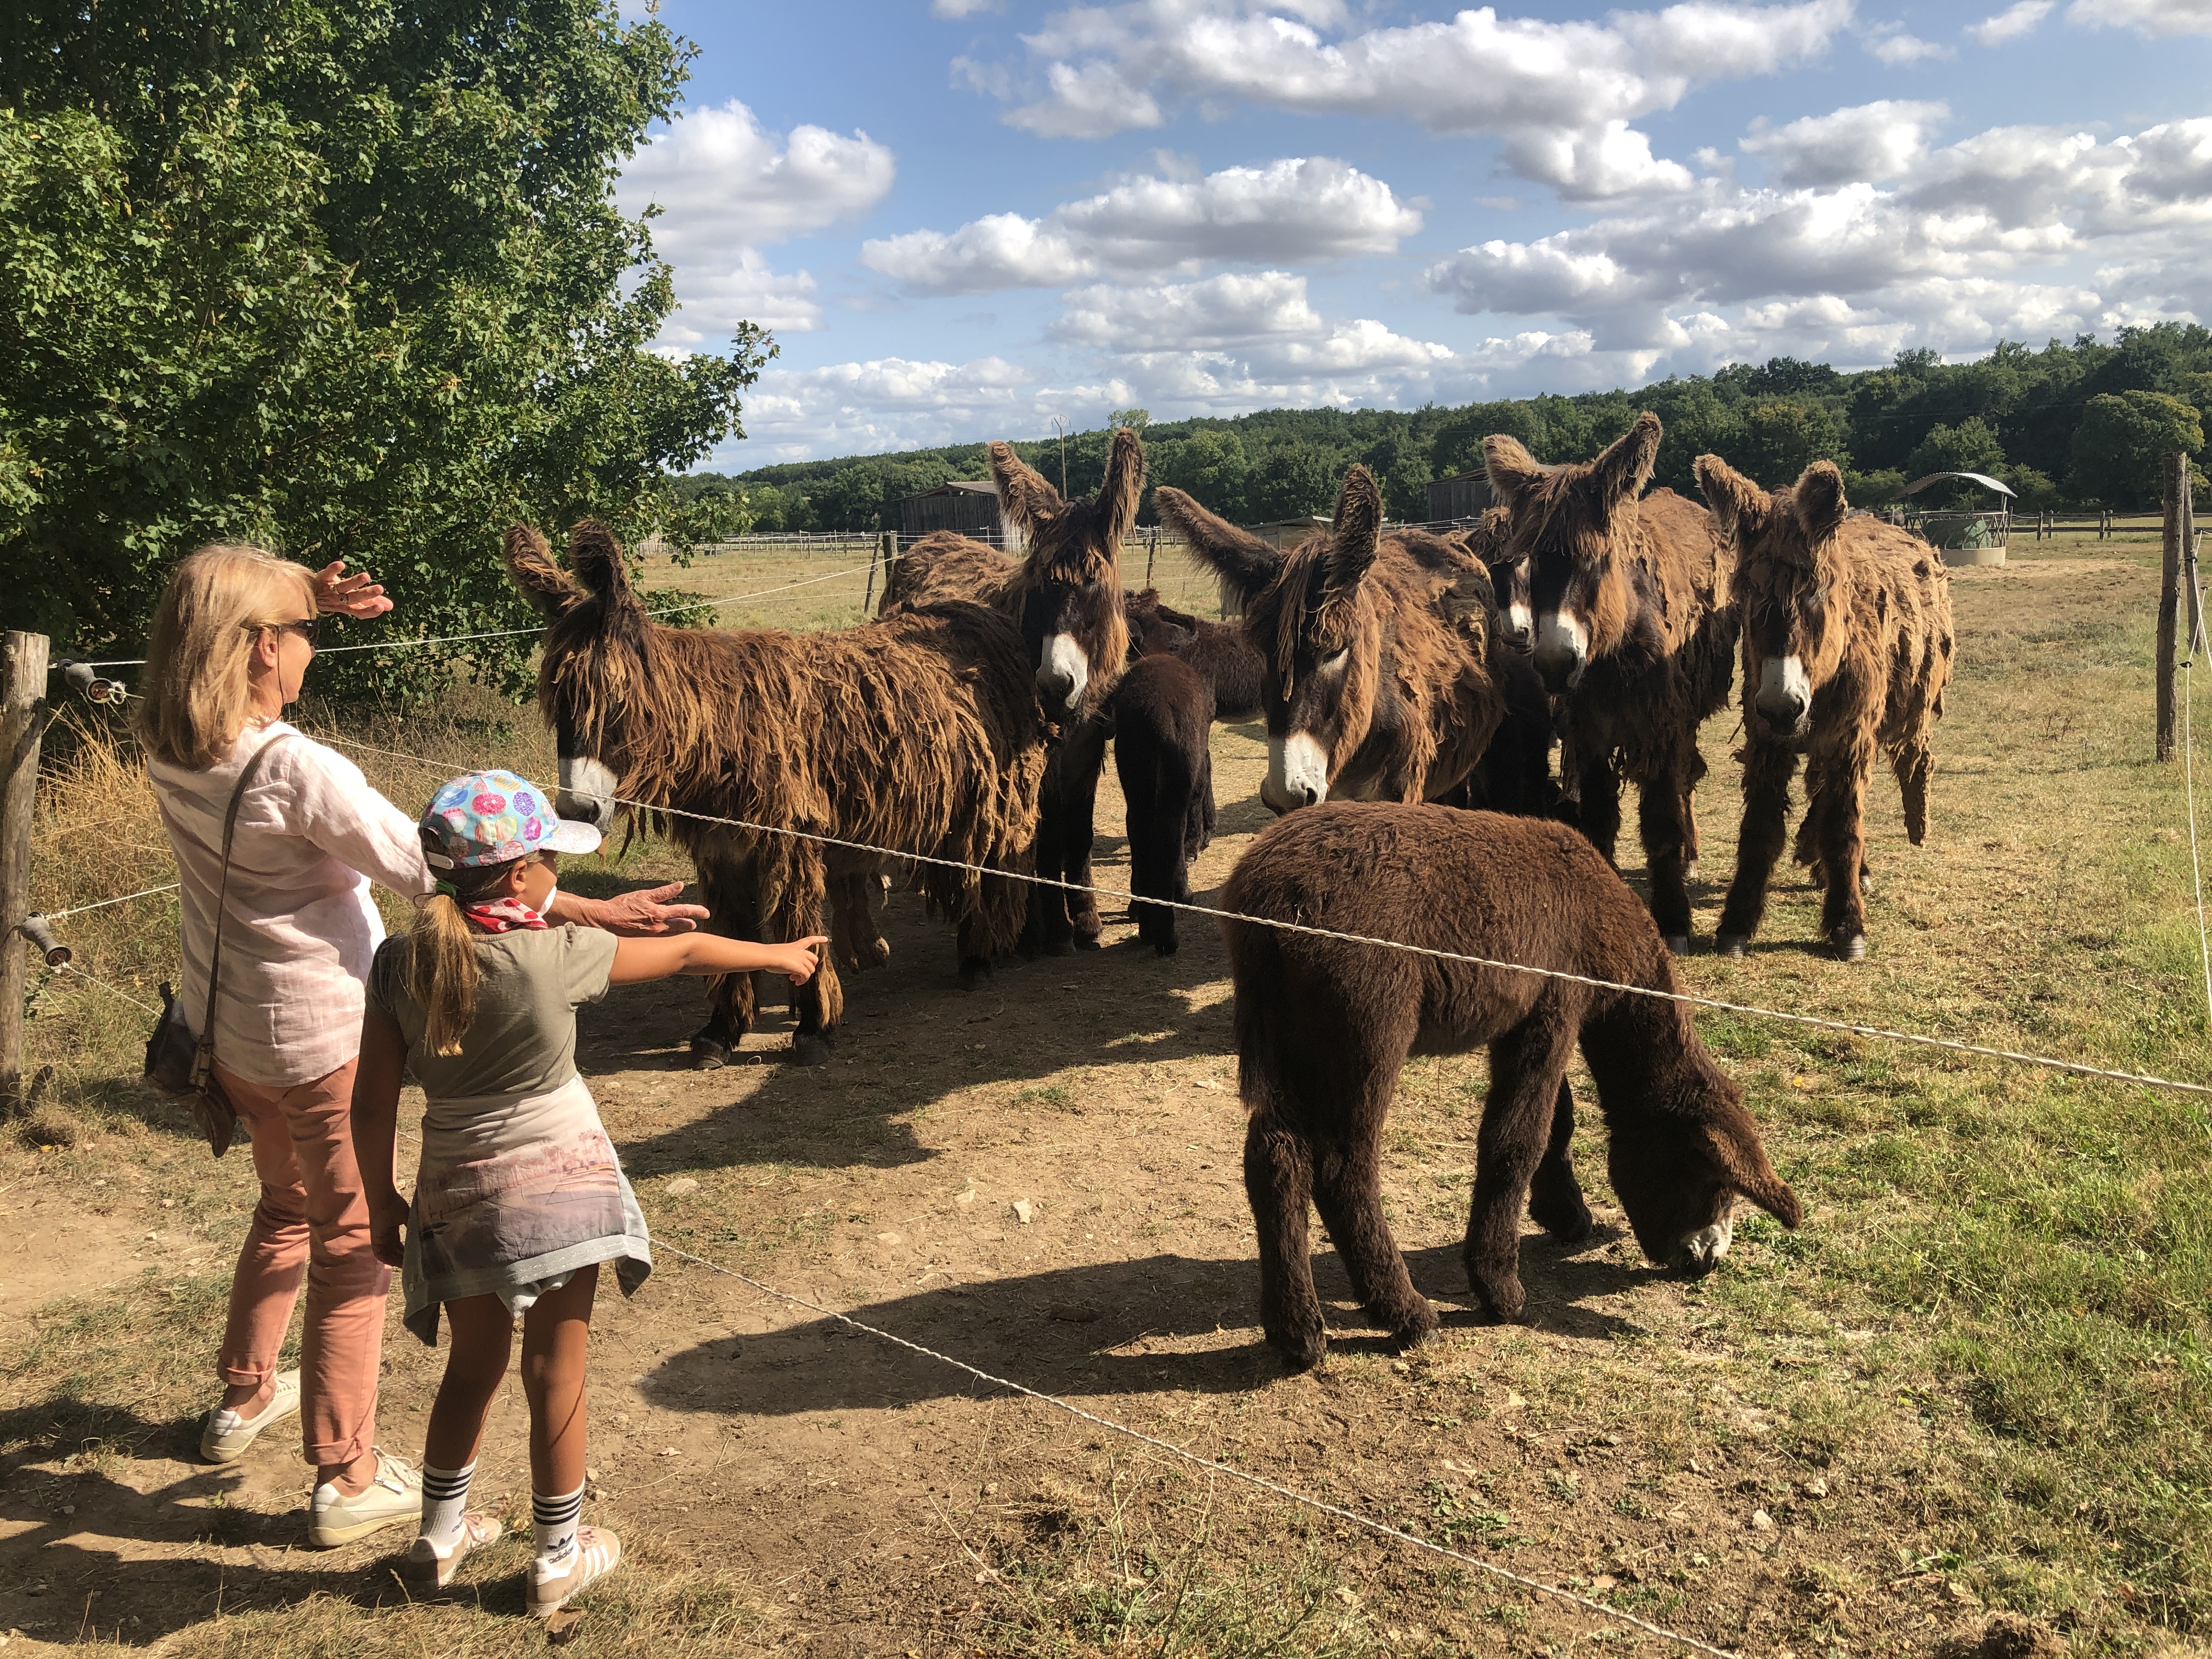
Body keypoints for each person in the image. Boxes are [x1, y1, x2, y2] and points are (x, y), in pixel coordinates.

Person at [138, 543, 707, 1548]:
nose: (315, 647)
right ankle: (348, 1475)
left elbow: (227, 639)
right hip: (317, 1032)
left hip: (225, 1026)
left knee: (282, 1208)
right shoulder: (294, 766)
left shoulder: (173, 744)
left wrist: (302, 595)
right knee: (352, 1247)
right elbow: (437, 869)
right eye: (304, 633)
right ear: (262, 647)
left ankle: (242, 1395)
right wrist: (586, 909)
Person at [350, 771, 826, 1614]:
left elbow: (374, 1098)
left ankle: (437, 1535)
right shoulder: (551, 954)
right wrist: (779, 957)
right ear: (522, 875)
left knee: (474, 1366)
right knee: (555, 1371)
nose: (554, 880)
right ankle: (557, 1559)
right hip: (562, 1189)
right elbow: (682, 952)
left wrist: (383, 1198)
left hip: (456, 1193)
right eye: (548, 864)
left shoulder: (399, 963)